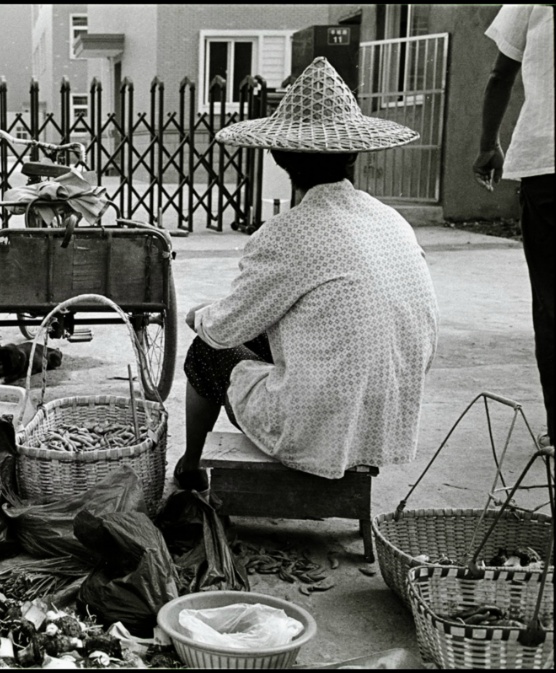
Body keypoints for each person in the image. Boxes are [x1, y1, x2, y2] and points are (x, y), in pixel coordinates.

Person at [173, 57, 440, 490]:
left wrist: (199, 316)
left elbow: (224, 329)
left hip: (320, 419)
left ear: (279, 156)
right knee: (270, 332)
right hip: (388, 410)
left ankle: (189, 466)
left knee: (206, 353)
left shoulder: (287, 233)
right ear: (353, 153)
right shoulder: (390, 219)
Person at [473, 5, 554, 448]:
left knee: (550, 301)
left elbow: (500, 74)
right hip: (545, 166)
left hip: (547, 167)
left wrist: (489, 144)